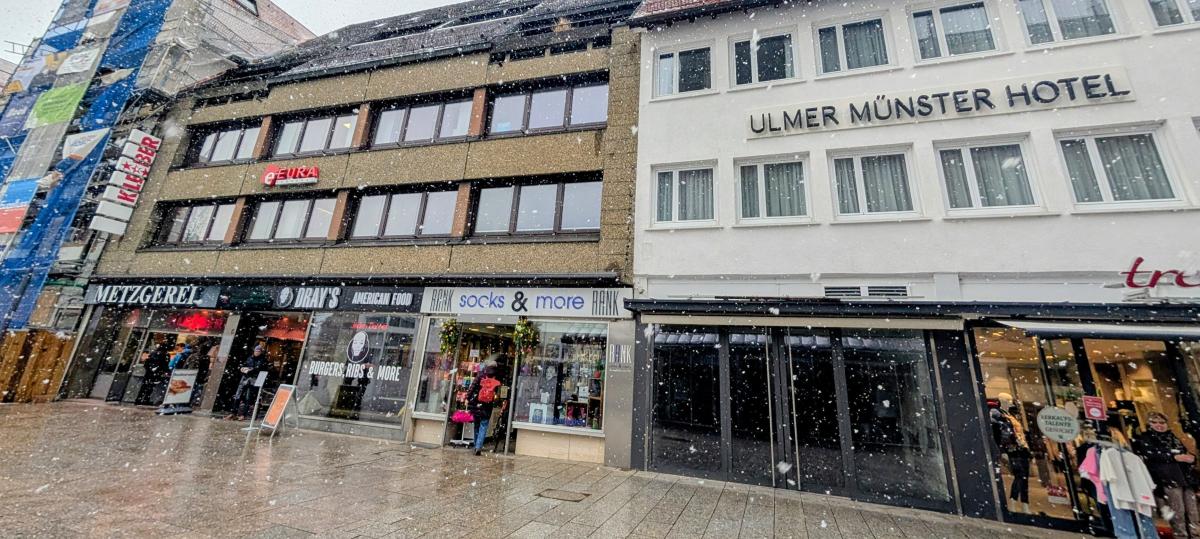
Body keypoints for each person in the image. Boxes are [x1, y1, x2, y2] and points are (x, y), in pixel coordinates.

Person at [1133, 412, 1199, 538]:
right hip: (1168, 478)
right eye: (1155, 422)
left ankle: (1195, 535)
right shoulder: (1146, 438)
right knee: (1177, 511)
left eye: (1162, 422)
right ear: (1149, 424)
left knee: (1192, 511)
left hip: (1185, 478)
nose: (1159, 425)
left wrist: (1191, 458)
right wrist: (1174, 457)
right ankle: (1181, 536)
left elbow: (1184, 453)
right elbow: (1151, 456)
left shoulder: (1172, 437)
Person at [991, 405, 1031, 513]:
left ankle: (1024, 503)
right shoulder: (1001, 416)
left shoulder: (1012, 417)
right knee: (1019, 476)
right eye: (1007, 400)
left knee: (1024, 478)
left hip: (1023, 450)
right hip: (1014, 450)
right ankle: (1013, 501)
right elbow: (1003, 435)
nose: (1009, 402)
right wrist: (1003, 451)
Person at [466, 365, 501, 456]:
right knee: (483, 425)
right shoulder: (495, 378)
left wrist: (468, 398)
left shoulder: (480, 375)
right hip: (487, 406)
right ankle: (478, 446)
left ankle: (476, 446)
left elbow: (472, 387)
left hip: (476, 404)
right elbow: (495, 394)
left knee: (477, 425)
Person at [227, 345, 267, 421]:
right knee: (238, 396)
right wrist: (242, 368)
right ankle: (233, 413)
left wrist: (250, 370)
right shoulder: (250, 358)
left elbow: (259, 368)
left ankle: (243, 415)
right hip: (245, 378)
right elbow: (244, 364)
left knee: (248, 398)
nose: (257, 352)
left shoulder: (262, 360)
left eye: (258, 351)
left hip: (253, 380)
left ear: (261, 352)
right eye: (256, 351)